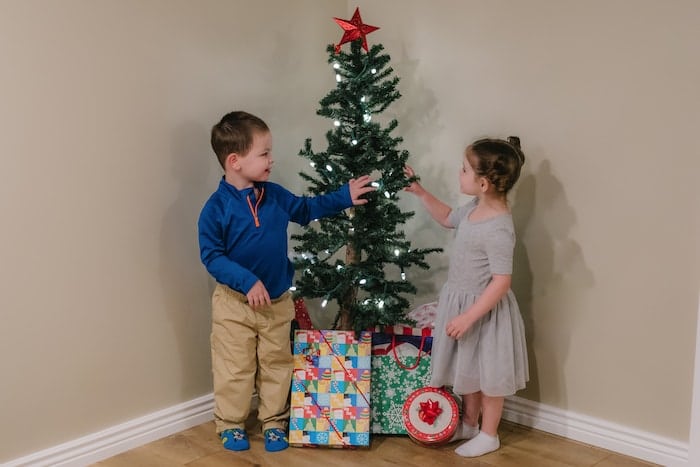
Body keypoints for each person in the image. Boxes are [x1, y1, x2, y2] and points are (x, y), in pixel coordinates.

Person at [198, 111, 374, 453]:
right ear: (234, 161)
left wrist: (343, 196)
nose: (271, 159)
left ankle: (274, 420)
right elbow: (212, 256)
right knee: (235, 368)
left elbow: (306, 210)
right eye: (263, 153)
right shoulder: (216, 209)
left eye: (269, 152)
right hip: (235, 306)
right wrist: (247, 281)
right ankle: (231, 423)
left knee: (277, 363)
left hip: (277, 302)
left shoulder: (275, 196)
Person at [404, 137, 529, 457]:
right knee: (467, 369)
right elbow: (448, 218)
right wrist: (420, 191)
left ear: (484, 183)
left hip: (484, 312)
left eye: (464, 170)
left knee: (489, 376)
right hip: (460, 303)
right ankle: (471, 423)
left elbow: (501, 282)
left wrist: (469, 316)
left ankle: (489, 434)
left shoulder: (499, 228)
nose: (459, 174)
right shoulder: (475, 208)